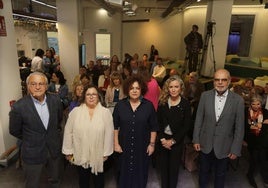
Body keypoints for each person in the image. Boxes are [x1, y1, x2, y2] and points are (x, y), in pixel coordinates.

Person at [9, 71, 63, 188]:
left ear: (46, 86)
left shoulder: (55, 101)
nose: (37, 87)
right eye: (33, 84)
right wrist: (31, 138)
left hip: (53, 149)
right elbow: (14, 130)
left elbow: (58, 121)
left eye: (41, 84)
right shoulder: (19, 107)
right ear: (28, 86)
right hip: (32, 152)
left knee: (56, 181)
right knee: (32, 184)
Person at [192, 69, 245, 188]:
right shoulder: (205, 96)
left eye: (223, 80)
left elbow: (239, 128)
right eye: (217, 80)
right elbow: (199, 119)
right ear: (213, 81)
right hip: (205, 142)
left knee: (220, 175)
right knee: (203, 172)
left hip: (225, 146)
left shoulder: (238, 101)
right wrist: (196, 139)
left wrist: (236, 148)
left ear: (229, 81)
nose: (220, 82)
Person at [62, 84, 114, 188]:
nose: (91, 97)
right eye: (88, 94)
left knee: (99, 182)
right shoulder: (75, 112)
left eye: (94, 94)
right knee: (83, 181)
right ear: (84, 97)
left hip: (99, 155)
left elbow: (109, 133)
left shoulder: (105, 113)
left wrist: (106, 152)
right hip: (80, 153)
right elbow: (68, 132)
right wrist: (68, 151)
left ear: (98, 96)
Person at [113, 75, 158, 188]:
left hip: (142, 146)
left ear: (142, 90)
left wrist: (152, 144)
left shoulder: (148, 106)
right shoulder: (120, 105)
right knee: (123, 173)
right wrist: (116, 143)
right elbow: (115, 126)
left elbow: (154, 127)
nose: (134, 90)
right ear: (127, 89)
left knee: (140, 173)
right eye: (132, 88)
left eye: (137, 88)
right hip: (124, 145)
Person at [157, 75, 192, 188]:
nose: (173, 89)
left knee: (173, 169)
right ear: (167, 88)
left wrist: (172, 141)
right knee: (163, 169)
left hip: (176, 142)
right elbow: (158, 122)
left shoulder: (185, 104)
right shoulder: (162, 102)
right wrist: (163, 139)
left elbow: (186, 126)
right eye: (171, 87)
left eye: (176, 86)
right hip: (162, 141)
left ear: (181, 88)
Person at [244, 95, 268, 188]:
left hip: (262, 139)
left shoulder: (265, 112)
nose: (255, 106)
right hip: (251, 139)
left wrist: (257, 124)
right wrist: (261, 124)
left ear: (261, 104)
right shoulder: (245, 112)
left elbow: (265, 127)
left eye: (258, 104)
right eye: (253, 103)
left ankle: (265, 178)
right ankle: (250, 175)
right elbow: (245, 126)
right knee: (255, 158)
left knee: (262, 158)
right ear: (250, 104)